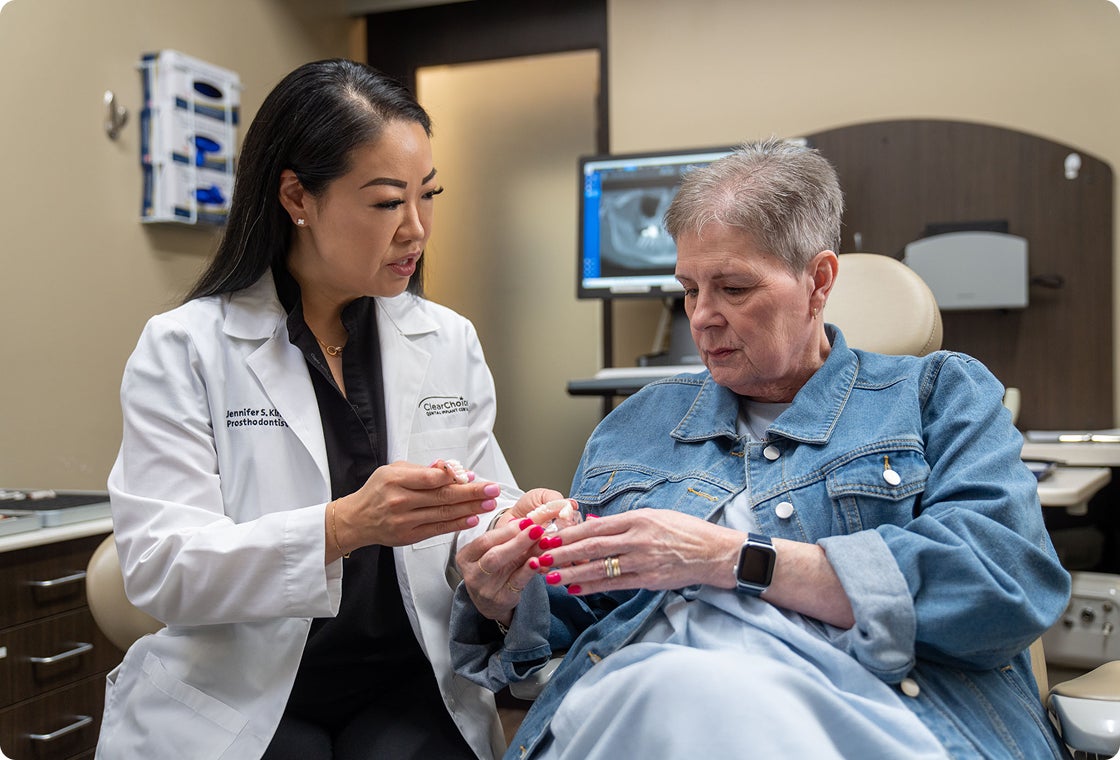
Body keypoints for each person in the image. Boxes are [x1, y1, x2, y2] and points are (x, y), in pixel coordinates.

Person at [449, 138, 1072, 759]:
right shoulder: (636, 425)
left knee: (671, 689)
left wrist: (729, 558)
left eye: (735, 289)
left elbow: (1002, 584)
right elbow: (586, 619)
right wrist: (509, 596)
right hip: (644, 709)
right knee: (657, 691)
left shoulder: (934, 394)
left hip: (864, 708)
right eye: (690, 289)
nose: (702, 317)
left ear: (819, 280)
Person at [99, 59, 559, 760]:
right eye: (384, 203)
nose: (416, 229)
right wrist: (343, 526)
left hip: (409, 680)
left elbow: (478, 506)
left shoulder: (446, 340)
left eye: (426, 196)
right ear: (297, 197)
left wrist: (509, 535)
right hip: (238, 688)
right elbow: (163, 570)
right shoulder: (185, 348)